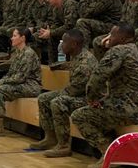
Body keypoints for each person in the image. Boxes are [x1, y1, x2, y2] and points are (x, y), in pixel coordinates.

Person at [72, 24, 138, 168]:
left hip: (127, 107)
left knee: (80, 116)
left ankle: (110, 155)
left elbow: (97, 77)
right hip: (136, 106)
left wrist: (92, 99)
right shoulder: (135, 51)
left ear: (122, 37)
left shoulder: (118, 50)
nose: (108, 37)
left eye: (112, 34)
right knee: (102, 108)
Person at [30, 29, 98, 157]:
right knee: (43, 98)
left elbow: (73, 91)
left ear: (74, 44)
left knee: (58, 102)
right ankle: (50, 138)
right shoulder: (77, 55)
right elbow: (71, 65)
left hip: (88, 98)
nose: (62, 45)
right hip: (77, 93)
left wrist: (59, 94)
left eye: (65, 42)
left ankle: (64, 145)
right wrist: (59, 66)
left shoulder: (85, 63)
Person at [0, 28, 41, 137]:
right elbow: (11, 73)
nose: (11, 38)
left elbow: (20, 77)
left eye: (15, 35)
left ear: (23, 38)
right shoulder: (18, 52)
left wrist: (0, 83)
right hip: (20, 83)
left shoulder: (28, 54)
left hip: (30, 85)